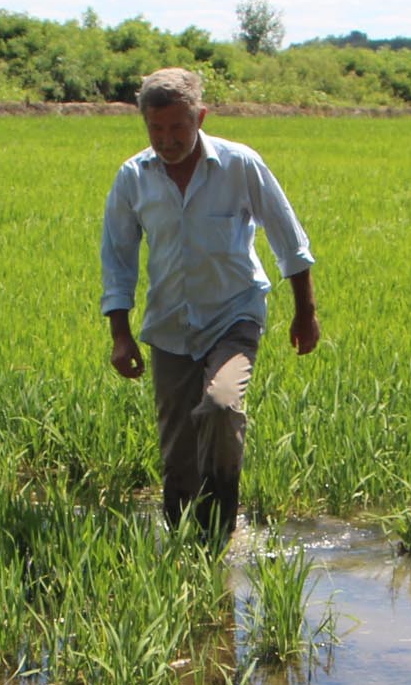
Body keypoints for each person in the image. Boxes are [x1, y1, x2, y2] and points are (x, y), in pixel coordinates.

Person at [100, 66, 319, 545]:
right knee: (177, 451)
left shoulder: (239, 165)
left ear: (200, 116)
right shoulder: (134, 177)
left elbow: (290, 241)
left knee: (221, 406)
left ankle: (220, 530)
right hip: (170, 325)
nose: (167, 139)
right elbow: (117, 258)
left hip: (233, 316)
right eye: (155, 129)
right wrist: (120, 334)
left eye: (177, 127)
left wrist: (306, 312)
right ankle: (183, 546)